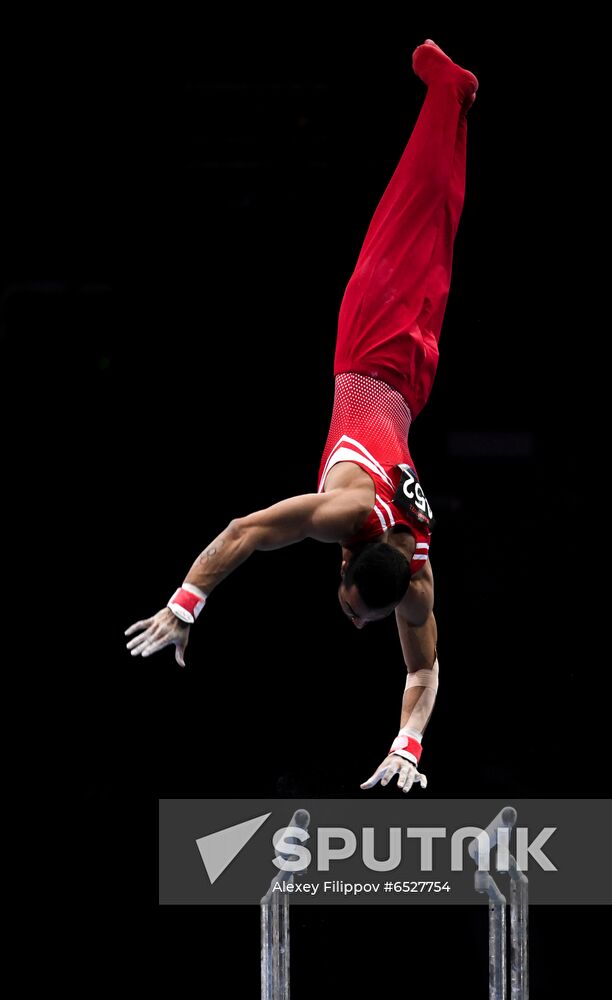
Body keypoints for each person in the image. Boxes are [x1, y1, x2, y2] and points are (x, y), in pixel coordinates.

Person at [125, 39, 478, 794]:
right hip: (374, 346)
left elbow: (424, 669)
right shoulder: (344, 510)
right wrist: (185, 605)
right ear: (349, 558)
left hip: (414, 380)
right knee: (410, 212)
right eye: (355, 609)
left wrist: (408, 746)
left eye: (356, 617)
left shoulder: (414, 577)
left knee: (440, 231)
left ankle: (456, 108)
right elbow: (243, 532)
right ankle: (444, 87)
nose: (354, 621)